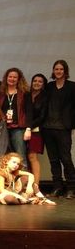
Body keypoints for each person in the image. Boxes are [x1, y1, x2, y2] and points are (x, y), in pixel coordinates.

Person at [42, 60, 75, 199]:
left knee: (66, 159)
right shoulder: (49, 86)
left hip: (63, 128)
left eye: (61, 69)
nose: (58, 71)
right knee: (53, 160)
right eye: (56, 69)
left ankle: (72, 188)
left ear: (65, 71)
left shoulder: (72, 86)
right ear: (53, 71)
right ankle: (57, 187)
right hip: (48, 128)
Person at [0, 67, 30, 168]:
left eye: (15, 77)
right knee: (6, 157)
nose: (12, 79)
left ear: (19, 79)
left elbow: (29, 112)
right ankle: (9, 182)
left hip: (18, 129)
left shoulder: (24, 93)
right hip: (4, 129)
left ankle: (24, 183)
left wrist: (28, 129)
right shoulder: (1, 93)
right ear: (6, 78)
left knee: (20, 157)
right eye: (10, 76)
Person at [26, 74, 48, 185]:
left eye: (40, 81)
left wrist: (28, 126)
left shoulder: (45, 97)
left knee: (32, 157)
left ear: (43, 84)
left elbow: (42, 117)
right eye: (35, 80)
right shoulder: (27, 95)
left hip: (36, 131)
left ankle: (36, 186)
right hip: (23, 129)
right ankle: (26, 185)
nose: (37, 83)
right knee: (24, 157)